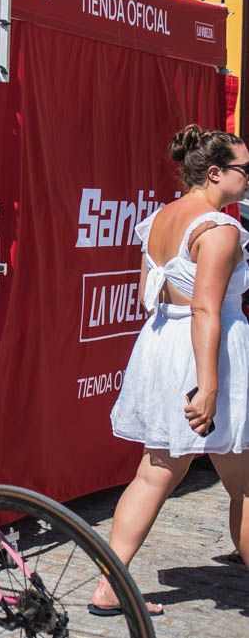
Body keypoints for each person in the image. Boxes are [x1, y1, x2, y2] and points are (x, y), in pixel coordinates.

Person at [92, 125, 249, 617]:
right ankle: (108, 586)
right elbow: (206, 310)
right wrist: (209, 385)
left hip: (163, 343)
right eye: (244, 169)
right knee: (242, 481)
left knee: (156, 471)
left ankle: (108, 586)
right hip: (206, 351)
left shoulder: (161, 218)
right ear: (216, 172)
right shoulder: (219, 229)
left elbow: (150, 295)